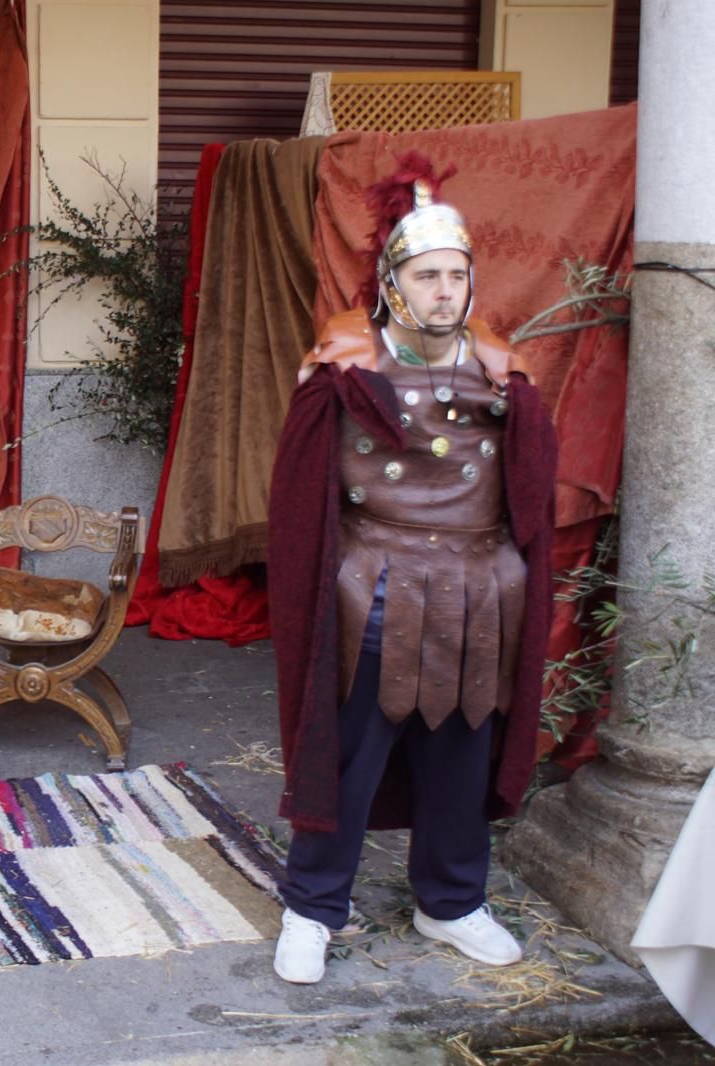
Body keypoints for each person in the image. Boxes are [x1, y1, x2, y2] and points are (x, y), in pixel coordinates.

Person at [266, 155, 557, 984]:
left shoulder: (505, 370)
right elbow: (299, 493)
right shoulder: (346, 367)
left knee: (461, 755)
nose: (444, 291)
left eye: (456, 276)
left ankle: (452, 901)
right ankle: (313, 906)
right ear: (393, 281)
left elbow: (530, 490)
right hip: (374, 582)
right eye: (427, 275)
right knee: (346, 755)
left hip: (477, 588)